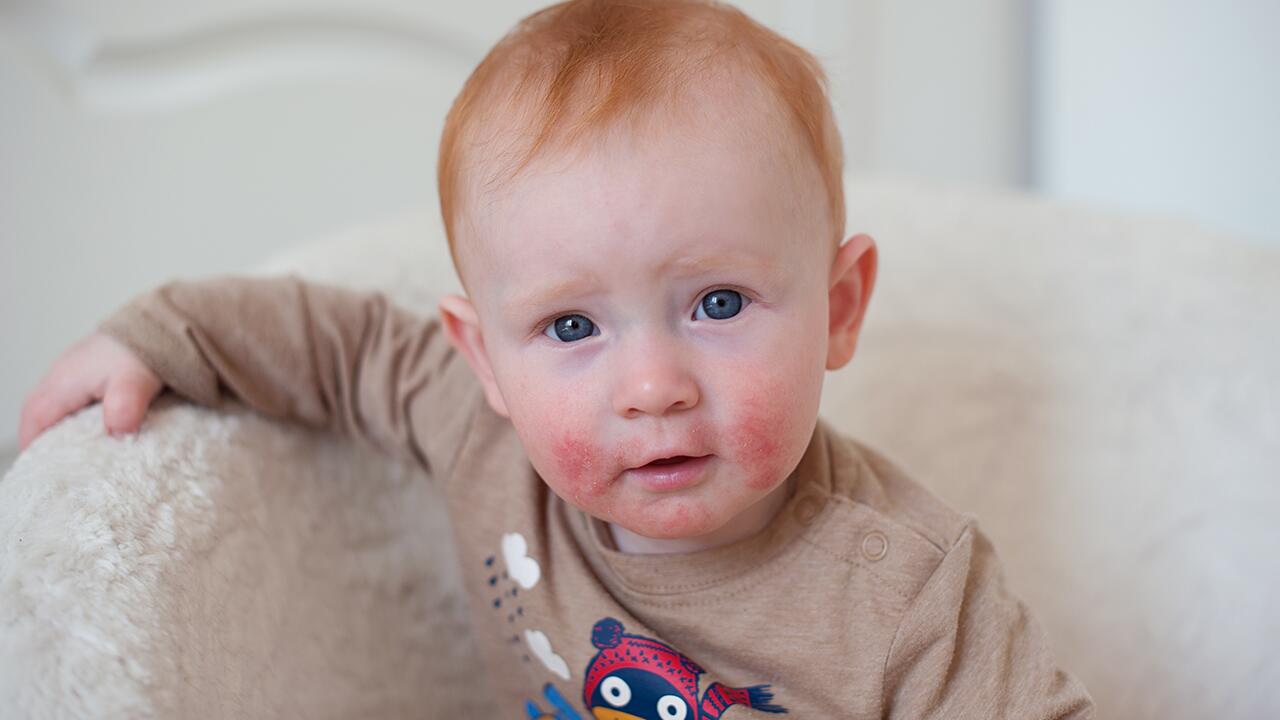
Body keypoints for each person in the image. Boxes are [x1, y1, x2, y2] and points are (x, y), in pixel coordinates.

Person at [18, 0, 1094, 716]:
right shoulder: (476, 427)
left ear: (839, 307)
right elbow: (336, 343)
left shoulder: (902, 587)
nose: (650, 387)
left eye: (716, 302)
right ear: (482, 358)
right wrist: (161, 335)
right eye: (571, 329)